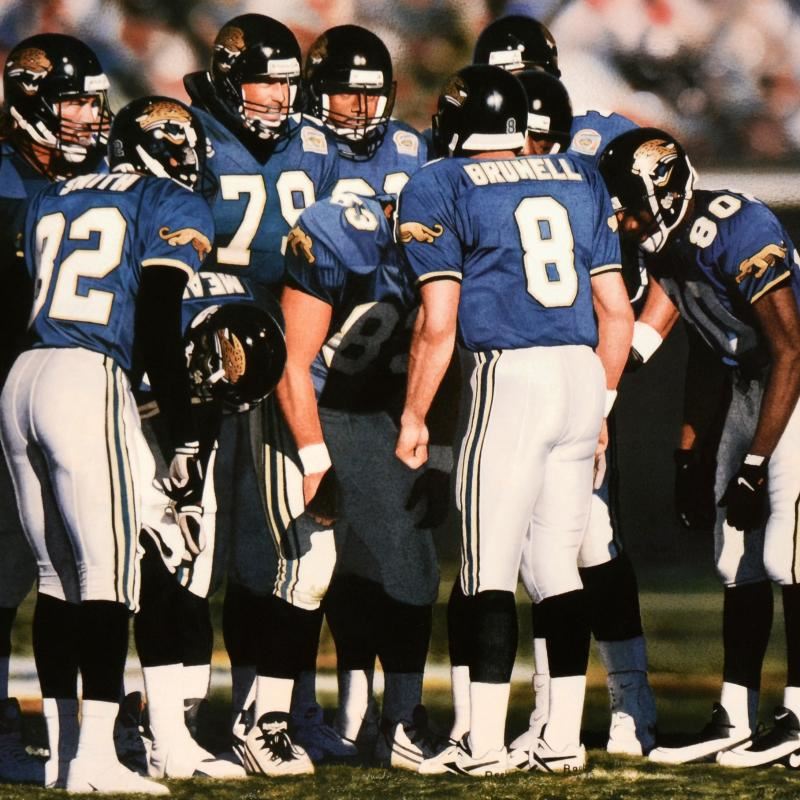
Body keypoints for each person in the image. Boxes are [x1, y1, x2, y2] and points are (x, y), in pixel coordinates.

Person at [396, 63, 633, 776]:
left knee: (487, 568)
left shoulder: (440, 182)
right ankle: (561, 739)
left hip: (511, 376)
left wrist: (414, 414)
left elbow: (438, 323)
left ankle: (483, 743)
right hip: (581, 373)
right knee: (558, 566)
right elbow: (616, 312)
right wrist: (603, 405)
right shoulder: (578, 175)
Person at [0, 94, 214, 794]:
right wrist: (183, 430)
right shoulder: (167, 201)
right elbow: (155, 321)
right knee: (109, 577)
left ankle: (65, 753)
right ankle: (95, 758)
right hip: (86, 377)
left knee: (56, 579)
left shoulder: (53, 192)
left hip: (24, 376)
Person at [474, 14, 660, 757]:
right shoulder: (471, 149)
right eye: (502, 82)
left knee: (589, 539)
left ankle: (629, 702)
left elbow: (671, 249)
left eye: (525, 80)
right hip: (509, 361)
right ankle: (549, 716)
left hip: (585, 358)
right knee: (523, 546)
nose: (513, 96)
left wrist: (623, 365)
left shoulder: (605, 141)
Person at [599, 126, 800, 768]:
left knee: (788, 554)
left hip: (792, 384)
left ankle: (799, 716)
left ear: (663, 193)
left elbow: (792, 349)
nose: (623, 221)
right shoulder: (670, 247)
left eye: (630, 206)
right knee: (734, 559)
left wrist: (754, 465)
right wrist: (691, 451)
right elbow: (710, 348)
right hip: (749, 385)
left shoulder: (738, 228)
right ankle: (736, 715)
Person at [180, 13, 341, 771]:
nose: (278, 98)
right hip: (195, 363)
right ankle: (166, 719)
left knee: (292, 550)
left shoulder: (316, 145)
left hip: (280, 361)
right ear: (225, 78)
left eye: (286, 83)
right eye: (262, 82)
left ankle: (265, 714)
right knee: (184, 551)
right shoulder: (189, 134)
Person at [295, 24, 437, 768]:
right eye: (344, 92)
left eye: (371, 93)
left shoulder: (412, 152)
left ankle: (384, 716)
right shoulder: (299, 153)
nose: (358, 106)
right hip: (312, 370)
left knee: (389, 555)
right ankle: (298, 711)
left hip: (382, 376)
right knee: (308, 559)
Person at [0, 32, 112, 786]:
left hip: (58, 392)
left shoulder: (98, 176)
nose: (87, 117)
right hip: (15, 383)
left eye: (91, 103)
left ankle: (73, 727)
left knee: (57, 566)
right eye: (71, 102)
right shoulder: (8, 180)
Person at [132, 272, 286, 781]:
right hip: (126, 418)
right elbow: (151, 397)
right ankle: (150, 731)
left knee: (191, 574)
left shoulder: (250, 308)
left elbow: (210, 399)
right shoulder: (156, 321)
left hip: (182, 428)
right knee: (142, 570)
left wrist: (193, 492)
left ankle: (176, 724)